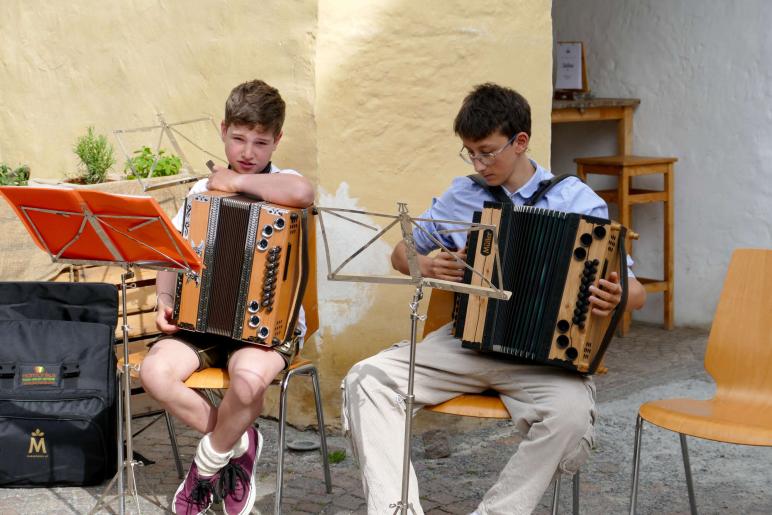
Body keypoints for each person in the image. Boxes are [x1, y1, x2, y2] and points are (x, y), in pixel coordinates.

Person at [342, 83, 647, 515]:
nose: (478, 164)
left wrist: (616, 296)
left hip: (545, 359)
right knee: (367, 379)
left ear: (520, 141)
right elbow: (400, 253)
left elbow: (636, 292)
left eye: (487, 152)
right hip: (464, 344)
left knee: (571, 418)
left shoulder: (577, 200)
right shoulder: (462, 194)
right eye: (470, 153)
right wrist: (425, 265)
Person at [139, 79, 314, 515]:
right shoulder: (201, 192)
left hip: (265, 329)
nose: (248, 151)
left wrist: (235, 180)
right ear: (222, 130)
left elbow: (302, 194)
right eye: (238, 139)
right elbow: (171, 255)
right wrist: (165, 299)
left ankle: (206, 466)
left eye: (261, 142)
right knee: (154, 373)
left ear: (277, 140)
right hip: (202, 324)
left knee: (248, 382)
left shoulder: (285, 182)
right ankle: (239, 441)